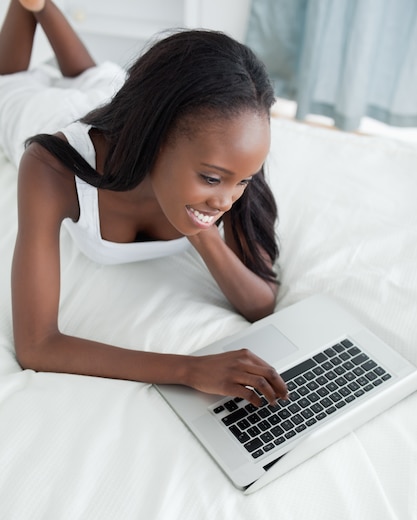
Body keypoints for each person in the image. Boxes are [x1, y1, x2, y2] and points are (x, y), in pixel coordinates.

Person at [3, 0, 287, 405]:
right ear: (155, 140)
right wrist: (189, 369)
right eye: (211, 179)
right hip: (43, 114)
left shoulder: (228, 156)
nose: (227, 199)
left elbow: (261, 302)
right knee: (10, 83)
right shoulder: (50, 169)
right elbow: (37, 345)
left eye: (243, 180)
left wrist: (202, 228)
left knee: (96, 78)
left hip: (117, 103)